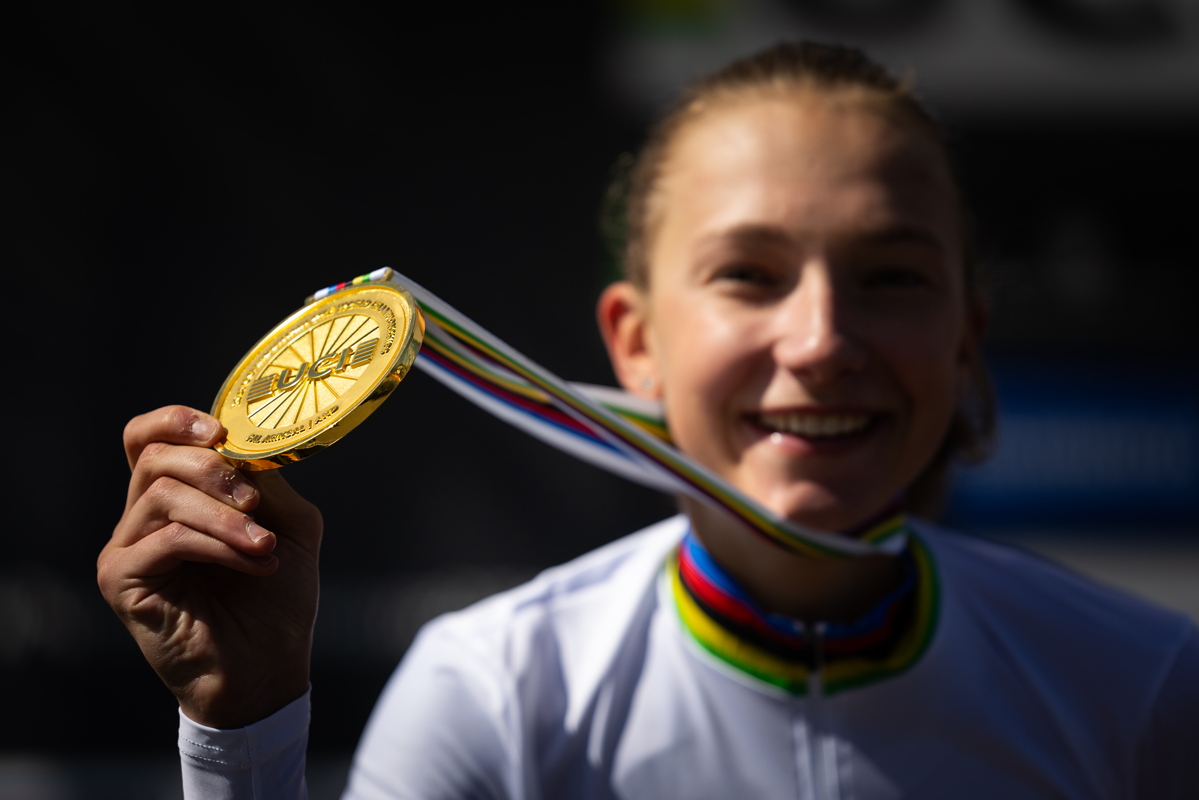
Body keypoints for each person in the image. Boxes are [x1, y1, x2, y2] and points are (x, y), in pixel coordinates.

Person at [100, 42, 1199, 798]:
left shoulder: (1142, 687)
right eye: (748, 274)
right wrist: (243, 736)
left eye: (893, 277)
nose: (821, 338)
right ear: (635, 341)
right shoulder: (497, 690)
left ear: (964, 337)